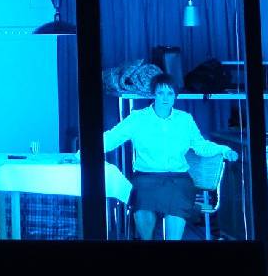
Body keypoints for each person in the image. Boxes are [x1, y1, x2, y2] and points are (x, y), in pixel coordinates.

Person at [99, 73, 237, 242]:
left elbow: (200, 145)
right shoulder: (137, 118)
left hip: (178, 179)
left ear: (175, 96)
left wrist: (223, 149)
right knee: (142, 207)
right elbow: (111, 138)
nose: (165, 98)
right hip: (146, 178)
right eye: (160, 93)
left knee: (176, 209)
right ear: (153, 94)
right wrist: (82, 154)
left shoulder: (185, 120)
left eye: (170, 93)